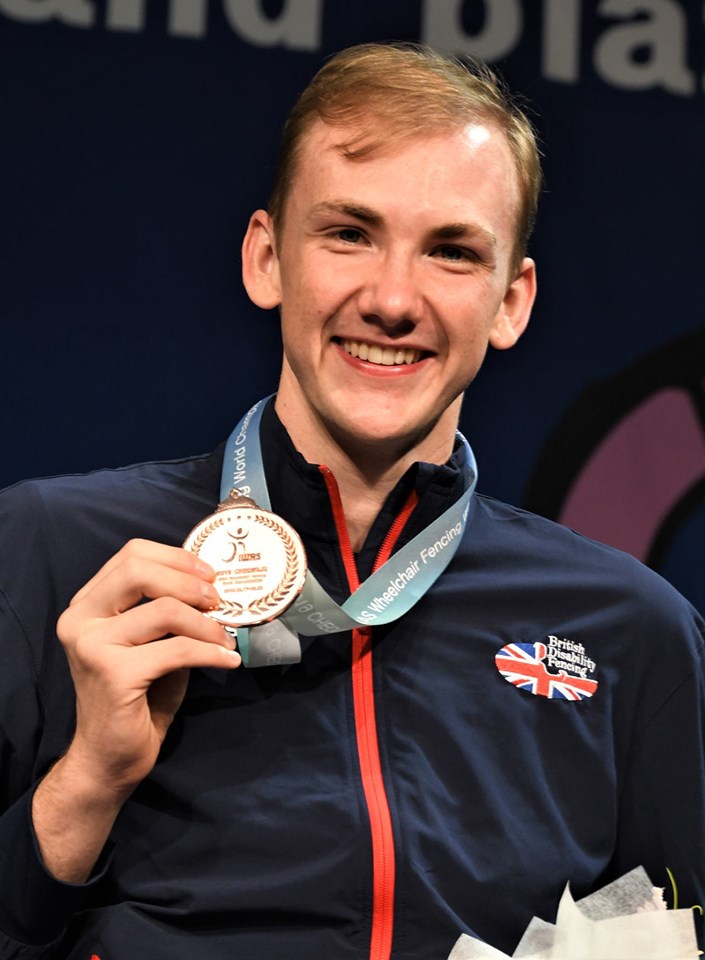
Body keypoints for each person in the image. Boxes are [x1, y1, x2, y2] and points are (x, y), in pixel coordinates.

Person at [0, 42, 703, 960]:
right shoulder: (49, 555)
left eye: (451, 251)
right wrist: (88, 781)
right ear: (266, 260)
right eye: (347, 234)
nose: (392, 298)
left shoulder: (627, 629)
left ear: (510, 302)